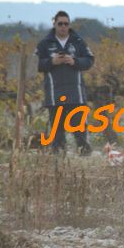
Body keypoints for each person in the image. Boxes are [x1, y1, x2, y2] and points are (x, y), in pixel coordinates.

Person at [35, 11, 95, 155]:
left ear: (69, 25)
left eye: (66, 24)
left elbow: (89, 60)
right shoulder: (45, 43)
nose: (63, 26)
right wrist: (52, 62)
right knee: (57, 132)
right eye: (60, 23)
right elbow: (34, 65)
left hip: (76, 94)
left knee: (79, 129)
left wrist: (75, 61)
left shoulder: (78, 42)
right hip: (54, 95)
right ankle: (58, 162)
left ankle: (85, 159)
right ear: (54, 24)